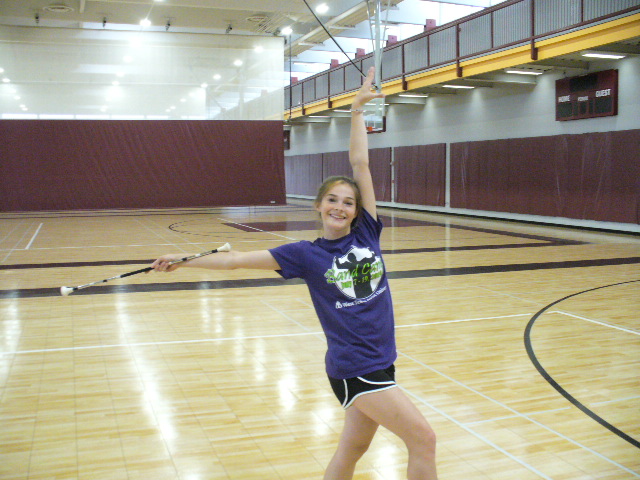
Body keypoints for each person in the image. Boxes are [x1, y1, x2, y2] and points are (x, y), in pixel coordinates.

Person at [151, 67, 438, 480]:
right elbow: (234, 261)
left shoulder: (368, 233)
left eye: (348, 203)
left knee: (352, 450)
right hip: (355, 366)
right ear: (319, 206)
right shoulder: (305, 255)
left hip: (381, 361)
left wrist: (357, 111)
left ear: (356, 211)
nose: (340, 207)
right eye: (333, 200)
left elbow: (361, 165)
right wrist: (182, 260)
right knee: (423, 439)